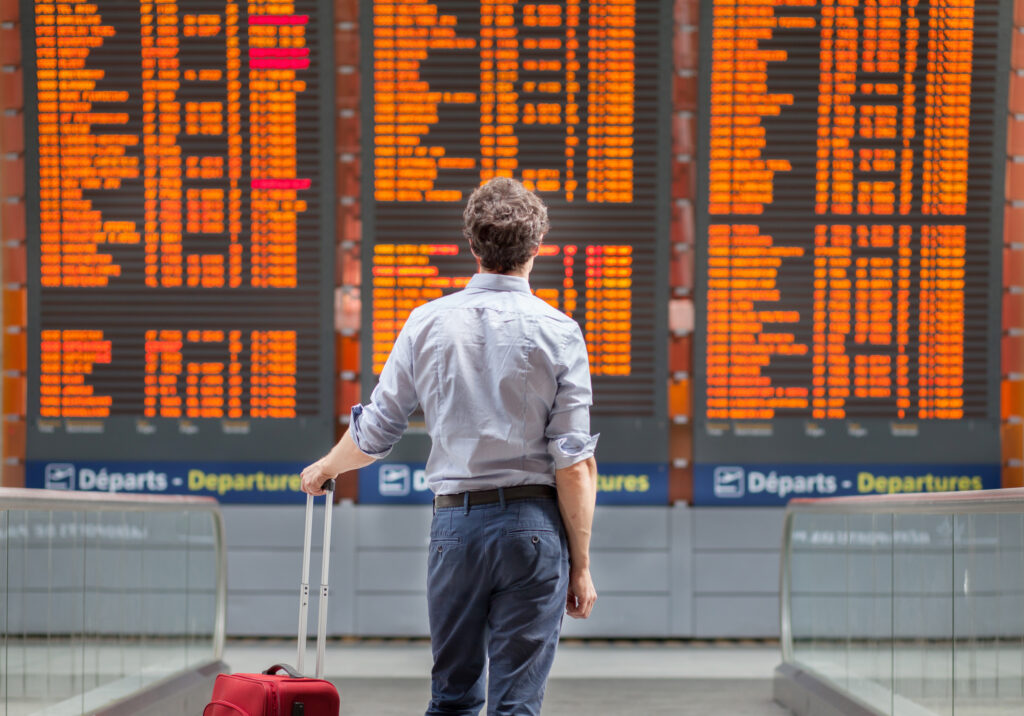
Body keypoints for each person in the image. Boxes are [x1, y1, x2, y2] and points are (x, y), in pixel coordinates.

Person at [300, 176, 599, 715]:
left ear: (472, 245)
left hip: (456, 531)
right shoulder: (561, 331)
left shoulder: (427, 323)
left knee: (453, 698)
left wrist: (325, 467)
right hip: (534, 531)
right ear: (536, 248)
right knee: (516, 705)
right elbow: (574, 464)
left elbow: (376, 432)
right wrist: (579, 566)